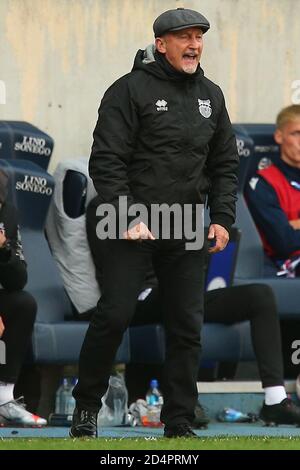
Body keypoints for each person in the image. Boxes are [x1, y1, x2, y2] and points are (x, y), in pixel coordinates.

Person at [71, 7, 238, 438]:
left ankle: (178, 418)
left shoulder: (212, 95)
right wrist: (127, 214)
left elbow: (224, 163)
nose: (194, 44)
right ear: (161, 44)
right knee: (115, 314)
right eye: (184, 37)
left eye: (199, 36)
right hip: (129, 221)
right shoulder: (128, 90)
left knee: (187, 324)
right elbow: (106, 159)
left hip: (184, 222)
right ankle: (86, 407)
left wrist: (220, 218)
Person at [85, 199, 300, 427]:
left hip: (183, 291)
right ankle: (182, 401)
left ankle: (275, 401)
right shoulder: (105, 204)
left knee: (260, 295)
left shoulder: (174, 201)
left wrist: (207, 244)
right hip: (138, 295)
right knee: (175, 294)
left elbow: (192, 257)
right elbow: (116, 264)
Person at [0, 169, 47, 427]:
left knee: (22, 303)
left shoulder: (8, 215)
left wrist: (4, 251)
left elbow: (18, 280)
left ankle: (4, 398)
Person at [245, 105, 300, 273]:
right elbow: (285, 242)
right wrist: (290, 228)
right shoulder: (262, 183)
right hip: (286, 264)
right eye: (296, 133)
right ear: (279, 136)